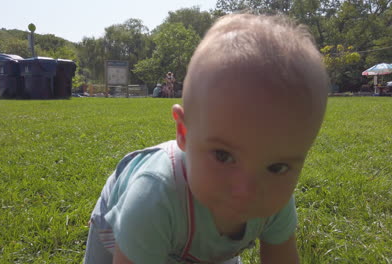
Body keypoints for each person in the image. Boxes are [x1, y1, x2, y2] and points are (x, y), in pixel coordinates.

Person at [84, 13, 328, 264]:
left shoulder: (277, 202)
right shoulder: (152, 198)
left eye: (277, 167)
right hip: (117, 230)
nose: (245, 191)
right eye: (223, 156)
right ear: (184, 133)